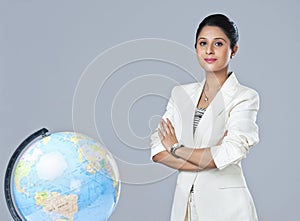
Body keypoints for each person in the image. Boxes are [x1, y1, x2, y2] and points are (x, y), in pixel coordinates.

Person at [150, 14, 259, 221]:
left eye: (218, 43)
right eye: (203, 43)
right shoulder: (180, 94)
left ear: (233, 50)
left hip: (227, 209)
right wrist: (208, 159)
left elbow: (231, 151)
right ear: (196, 48)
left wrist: (177, 148)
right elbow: (156, 149)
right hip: (184, 208)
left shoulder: (244, 97)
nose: (209, 50)